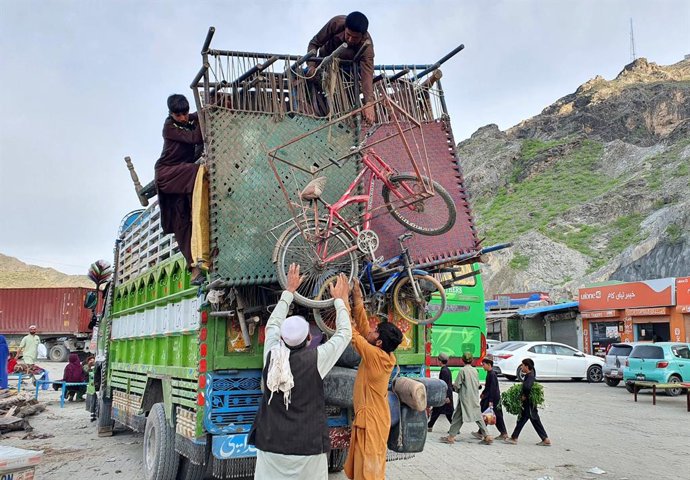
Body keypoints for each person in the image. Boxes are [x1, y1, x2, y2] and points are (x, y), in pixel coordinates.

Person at [249, 265, 352, 479]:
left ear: (282, 339)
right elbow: (344, 334)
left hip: (271, 444)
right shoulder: (316, 359)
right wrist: (340, 300)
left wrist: (289, 291)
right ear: (308, 340)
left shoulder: (271, 355)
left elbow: (272, 325)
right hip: (308, 447)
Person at [344, 281, 403, 480]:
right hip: (372, 418)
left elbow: (353, 334)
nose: (371, 330)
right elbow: (363, 329)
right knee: (367, 468)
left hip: (372, 422)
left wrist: (341, 301)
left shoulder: (375, 356)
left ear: (378, 342)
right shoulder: (382, 352)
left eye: (376, 331)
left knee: (369, 473)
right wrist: (357, 297)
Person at [154, 94, 205, 285]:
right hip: (168, 174)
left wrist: (202, 112)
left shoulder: (187, 118)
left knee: (183, 223)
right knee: (197, 171)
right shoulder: (169, 127)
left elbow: (195, 116)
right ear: (171, 114)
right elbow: (196, 137)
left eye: (185, 113)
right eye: (179, 115)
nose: (183, 118)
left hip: (182, 176)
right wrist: (201, 116)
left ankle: (195, 268)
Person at [307, 12, 376, 124]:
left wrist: (369, 103)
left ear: (362, 36)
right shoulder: (336, 23)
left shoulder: (367, 47)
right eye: (348, 34)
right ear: (345, 28)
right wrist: (311, 65)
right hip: (324, 62)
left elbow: (367, 73)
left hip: (346, 71)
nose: (349, 39)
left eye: (355, 38)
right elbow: (314, 43)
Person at [440, 352, 492, 445]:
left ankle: (451, 437)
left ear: (462, 360)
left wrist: (455, 389)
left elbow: (457, 385)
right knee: (478, 417)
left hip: (464, 398)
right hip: (474, 397)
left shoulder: (462, 371)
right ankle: (487, 436)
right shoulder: (475, 371)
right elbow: (477, 385)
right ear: (472, 360)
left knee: (457, 417)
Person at [505, 358, 551, 446]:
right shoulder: (529, 375)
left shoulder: (530, 376)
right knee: (523, 420)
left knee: (533, 420)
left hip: (529, 403)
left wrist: (524, 395)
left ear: (527, 366)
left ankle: (545, 439)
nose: (521, 367)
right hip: (528, 404)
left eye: (522, 365)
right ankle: (514, 437)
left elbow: (527, 387)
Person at [477, 358, 508, 440]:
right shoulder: (489, 373)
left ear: (489, 365)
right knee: (487, 414)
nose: (483, 367)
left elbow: (493, 389)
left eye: (483, 365)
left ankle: (503, 433)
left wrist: (490, 401)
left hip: (493, 398)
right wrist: (483, 393)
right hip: (489, 397)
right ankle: (481, 432)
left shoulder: (492, 374)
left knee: (495, 415)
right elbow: (488, 387)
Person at [427, 352, 453, 432]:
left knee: (439, 411)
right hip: (446, 395)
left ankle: (454, 428)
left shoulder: (444, 371)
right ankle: (430, 426)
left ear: (440, 361)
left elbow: (445, 384)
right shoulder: (447, 370)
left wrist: (446, 396)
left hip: (445, 395)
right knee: (440, 411)